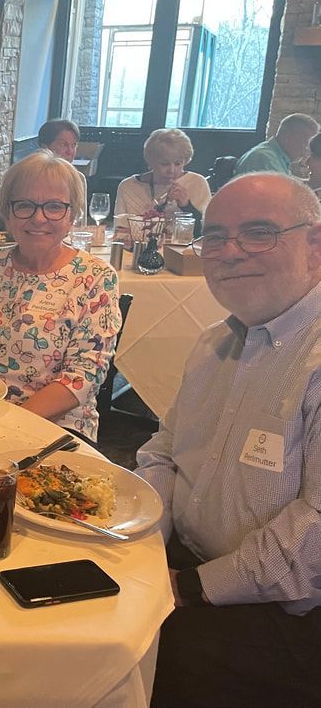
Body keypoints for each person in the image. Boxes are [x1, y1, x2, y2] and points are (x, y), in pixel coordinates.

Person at [135, 173, 321, 707]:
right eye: (214, 236)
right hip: (182, 562)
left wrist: (188, 589)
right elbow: (166, 451)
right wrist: (143, 541)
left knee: (125, 653)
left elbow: (314, 542)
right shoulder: (214, 342)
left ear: (315, 245)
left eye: (259, 232)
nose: (230, 252)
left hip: (285, 612)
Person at [0, 150, 121, 441]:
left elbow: (83, 376)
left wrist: (5, 426)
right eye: (24, 205)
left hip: (53, 430)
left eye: (53, 207)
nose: (39, 218)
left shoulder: (95, 277)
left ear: (72, 214)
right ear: (7, 213)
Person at [113, 128, 211, 235]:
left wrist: (186, 206)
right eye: (164, 164)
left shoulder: (197, 182)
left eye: (178, 163)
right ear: (151, 161)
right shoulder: (128, 186)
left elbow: (207, 231)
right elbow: (120, 231)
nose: (172, 170)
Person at [234, 112, 319, 177]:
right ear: (287, 136)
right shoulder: (265, 158)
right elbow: (282, 196)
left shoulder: (277, 157)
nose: (308, 149)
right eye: (306, 142)